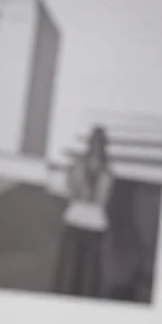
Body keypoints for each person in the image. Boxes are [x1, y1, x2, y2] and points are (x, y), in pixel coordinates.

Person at [54, 126, 114, 298]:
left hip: (76, 218)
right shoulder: (107, 171)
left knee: (70, 265)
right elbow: (102, 200)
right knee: (89, 269)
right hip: (94, 222)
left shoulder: (79, 165)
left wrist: (81, 187)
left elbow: (72, 191)